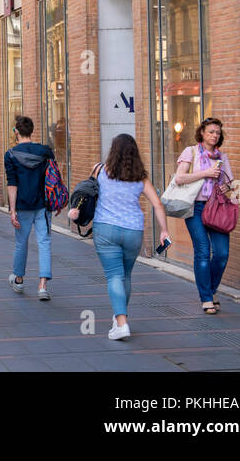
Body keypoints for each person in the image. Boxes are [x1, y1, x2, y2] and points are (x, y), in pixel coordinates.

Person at [72, 133, 171, 339]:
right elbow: (157, 204)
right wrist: (164, 231)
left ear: (113, 151)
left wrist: (76, 211)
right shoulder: (141, 177)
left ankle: (121, 322)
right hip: (133, 231)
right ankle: (120, 318)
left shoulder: (100, 169)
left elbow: (86, 193)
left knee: (114, 275)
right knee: (125, 275)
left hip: (106, 229)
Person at [173, 117, 235, 314]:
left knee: (222, 253)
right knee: (202, 250)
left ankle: (211, 289)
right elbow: (180, 178)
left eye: (217, 132)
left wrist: (226, 187)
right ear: (202, 133)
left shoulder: (222, 157)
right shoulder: (190, 152)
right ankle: (206, 298)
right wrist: (205, 173)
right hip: (196, 207)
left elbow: (230, 183)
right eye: (211, 132)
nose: (215, 135)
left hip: (216, 208)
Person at [4, 114, 56, 300]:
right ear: (32, 131)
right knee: (44, 243)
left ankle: (18, 279)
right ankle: (42, 285)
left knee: (21, 242)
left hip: (23, 205)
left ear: (16, 132)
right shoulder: (45, 151)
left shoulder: (10, 155)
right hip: (43, 204)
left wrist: (12, 210)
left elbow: (12, 184)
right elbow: (53, 177)